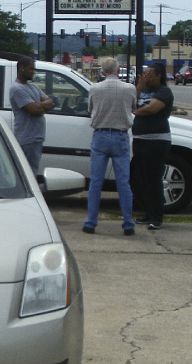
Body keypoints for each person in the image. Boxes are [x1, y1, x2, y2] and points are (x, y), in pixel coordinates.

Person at [82, 57, 137, 236]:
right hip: (121, 135)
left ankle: (91, 222)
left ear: (102, 71)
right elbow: (133, 108)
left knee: (96, 182)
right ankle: (128, 223)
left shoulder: (94, 88)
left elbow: (90, 109)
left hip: (100, 135)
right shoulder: (129, 88)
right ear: (117, 69)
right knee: (123, 182)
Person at [132, 62, 173, 231]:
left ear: (159, 75)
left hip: (157, 142)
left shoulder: (164, 92)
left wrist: (134, 110)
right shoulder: (144, 90)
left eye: (149, 74)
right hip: (140, 139)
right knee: (139, 178)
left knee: (153, 179)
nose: (146, 76)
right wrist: (138, 88)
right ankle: (148, 213)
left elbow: (150, 110)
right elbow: (131, 101)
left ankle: (157, 217)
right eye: (145, 73)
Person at [9, 56, 54, 175]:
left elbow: (50, 102)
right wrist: (41, 105)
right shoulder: (17, 89)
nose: (33, 72)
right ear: (21, 68)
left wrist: (40, 105)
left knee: (33, 170)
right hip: (27, 139)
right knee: (28, 173)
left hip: (36, 138)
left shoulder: (32, 87)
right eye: (31, 69)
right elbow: (34, 110)